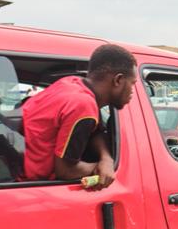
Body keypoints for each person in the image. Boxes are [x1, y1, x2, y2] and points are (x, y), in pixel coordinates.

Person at [22, 44, 137, 189]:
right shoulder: (82, 105)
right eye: (132, 84)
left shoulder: (72, 83)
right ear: (118, 80)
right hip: (33, 186)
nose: (133, 92)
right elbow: (65, 171)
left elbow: (95, 131)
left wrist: (106, 159)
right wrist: (101, 169)